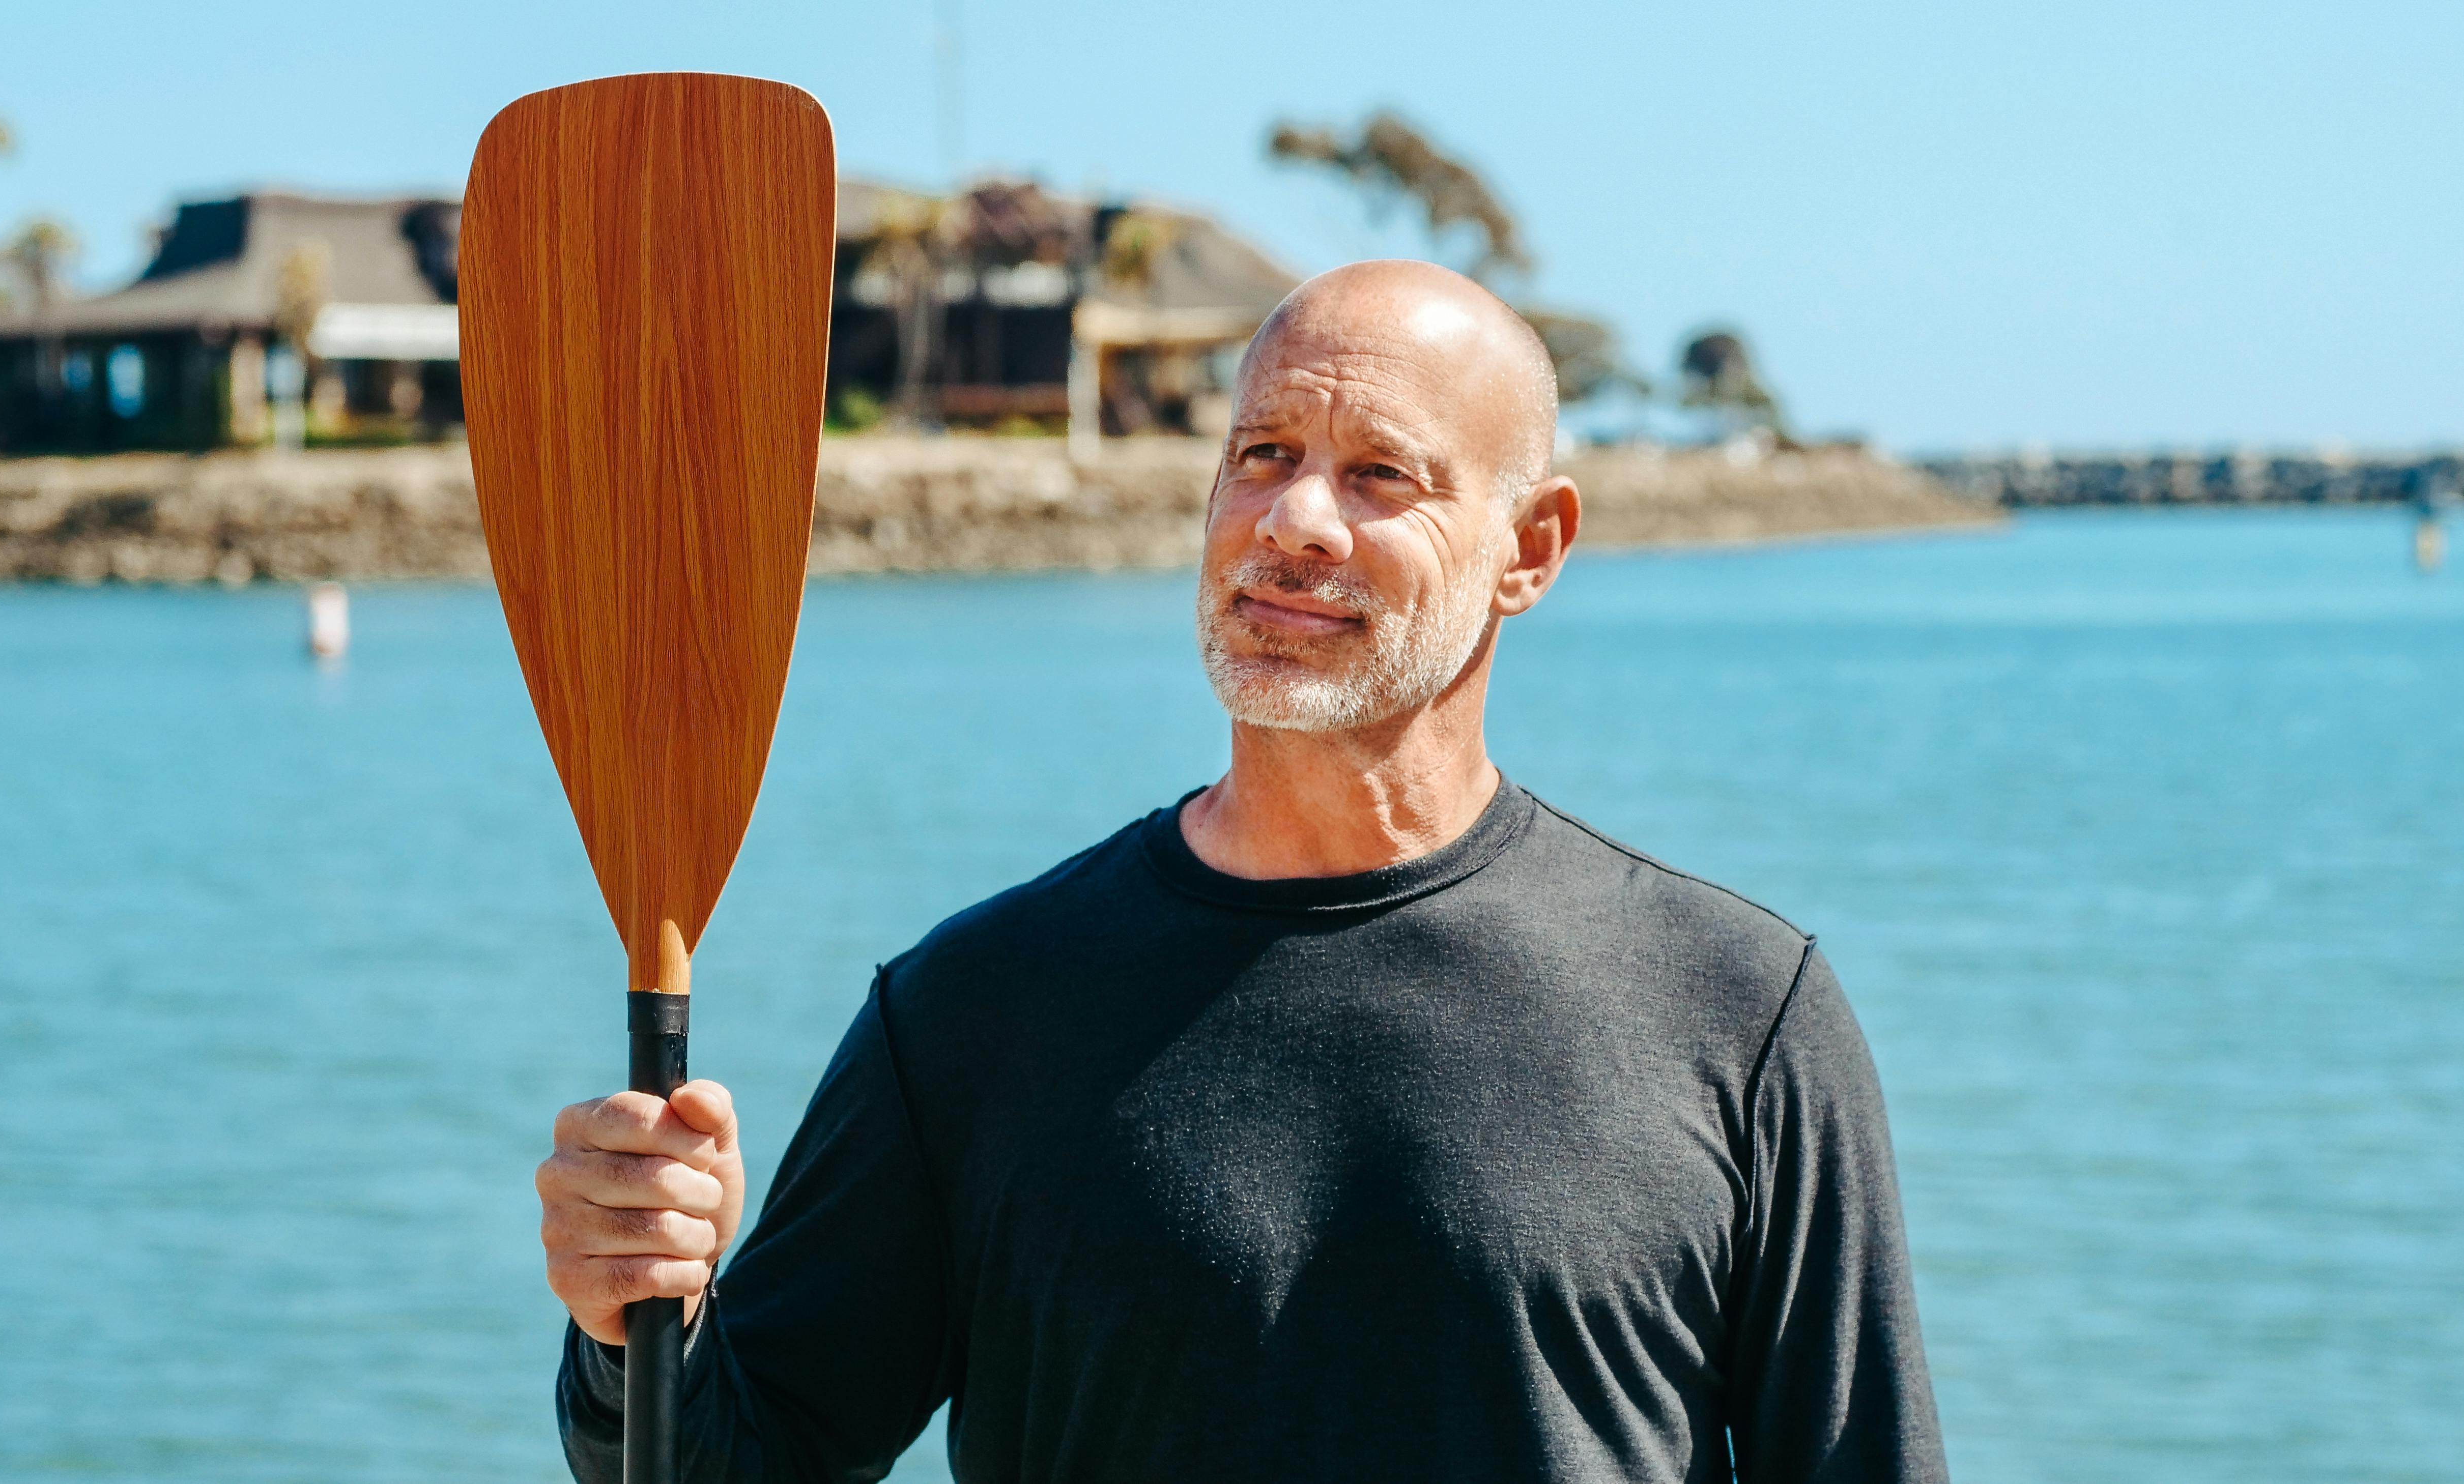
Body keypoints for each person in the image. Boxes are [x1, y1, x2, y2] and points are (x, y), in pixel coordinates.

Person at [540, 260, 1947, 1483]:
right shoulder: (974, 1011)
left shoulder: (1735, 1012)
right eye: (1262, 454)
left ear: (1530, 548)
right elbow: (747, 1463)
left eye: (1380, 474)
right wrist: (635, 1325)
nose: (1293, 522)